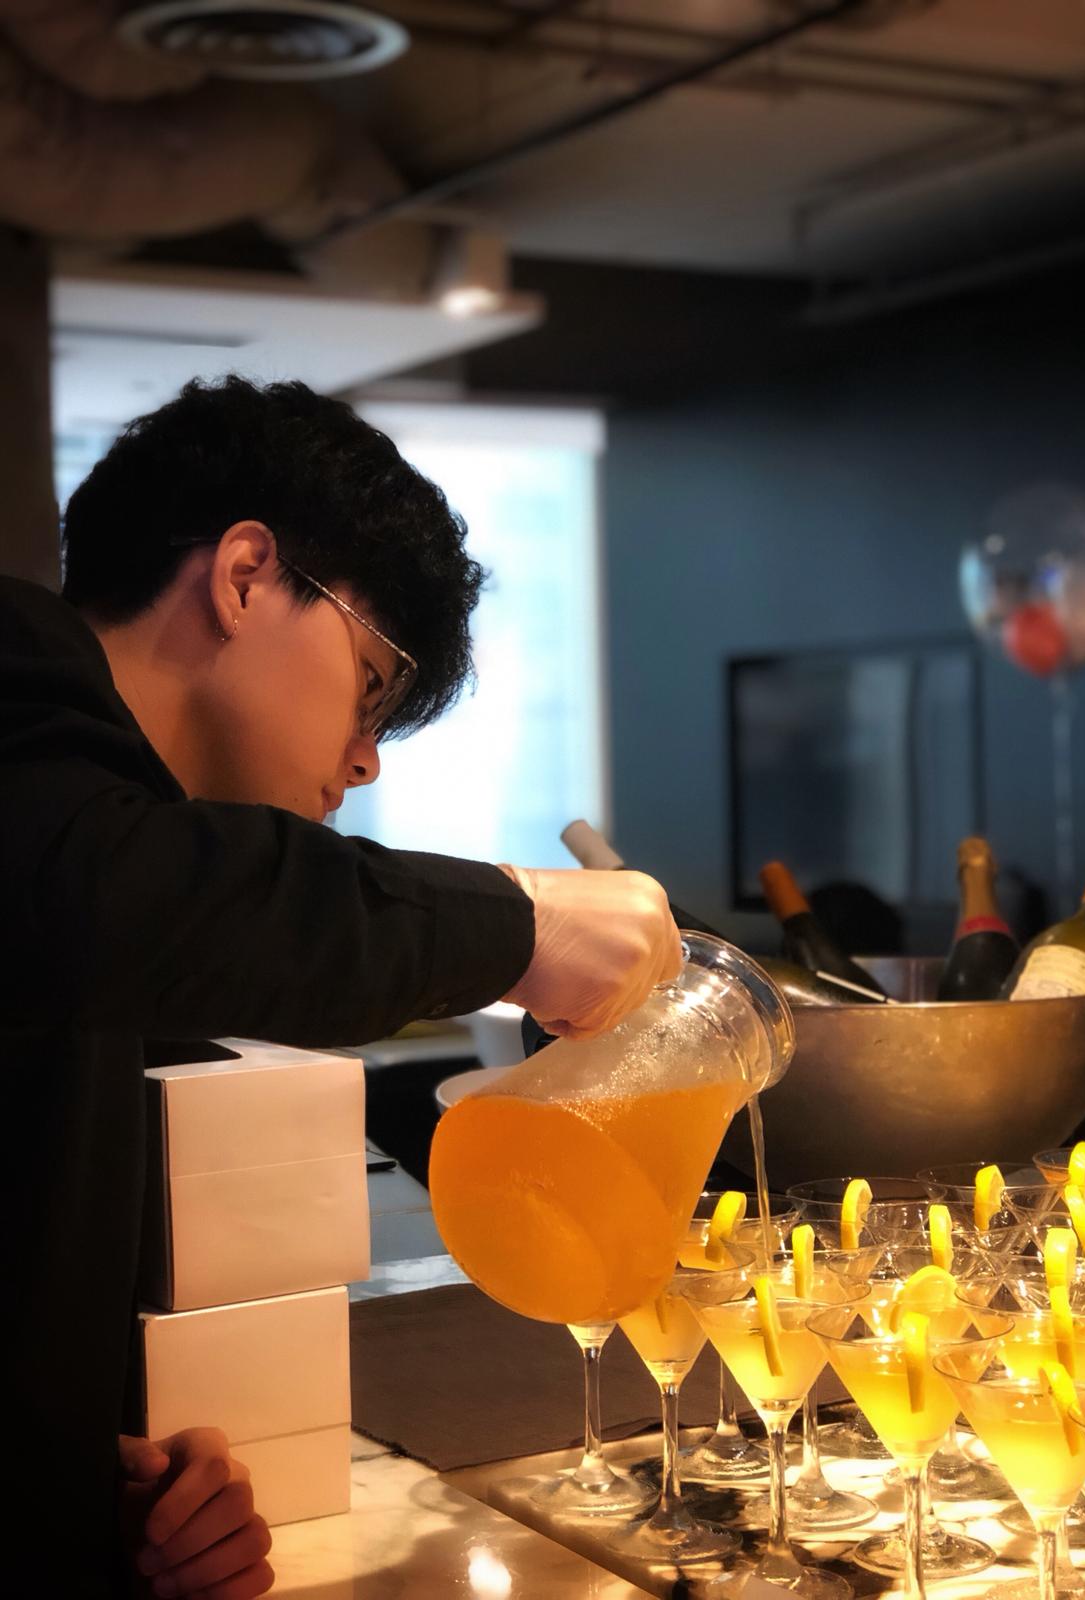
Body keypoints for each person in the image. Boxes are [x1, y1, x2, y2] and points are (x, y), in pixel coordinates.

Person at [1, 376, 679, 1598]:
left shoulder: (103, 866)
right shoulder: (13, 691)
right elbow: (125, 893)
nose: (362, 763)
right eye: (371, 688)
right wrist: (518, 923)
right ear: (247, 574)